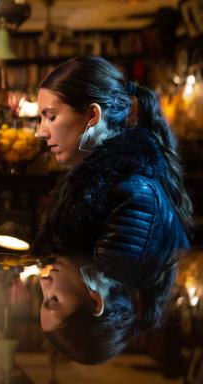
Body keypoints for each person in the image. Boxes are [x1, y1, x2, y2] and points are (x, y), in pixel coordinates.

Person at [31, 56, 193, 364]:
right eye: (52, 300)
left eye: (50, 116)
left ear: (92, 115)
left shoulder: (134, 196)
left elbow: (116, 271)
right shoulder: (97, 184)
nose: (41, 131)